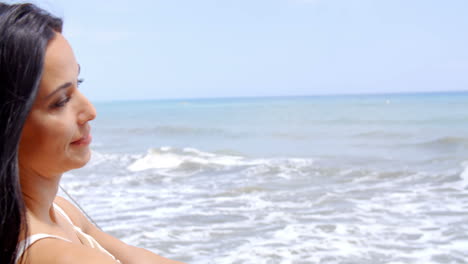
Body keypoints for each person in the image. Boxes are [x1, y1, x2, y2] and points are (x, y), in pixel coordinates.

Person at [0, 3, 185, 264]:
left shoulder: (61, 213)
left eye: (79, 84)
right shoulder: (55, 255)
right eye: (61, 101)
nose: (90, 111)